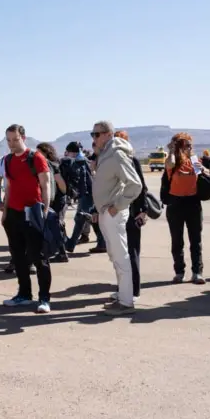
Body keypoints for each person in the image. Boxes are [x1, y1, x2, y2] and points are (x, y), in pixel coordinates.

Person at [0, 124, 54, 314]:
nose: (11, 144)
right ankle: (24, 294)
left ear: (23, 138)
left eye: (15, 140)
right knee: (18, 257)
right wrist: (5, 212)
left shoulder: (36, 158)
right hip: (13, 214)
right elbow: (8, 187)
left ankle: (44, 298)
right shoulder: (7, 160)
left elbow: (46, 185)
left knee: (39, 258)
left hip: (33, 213)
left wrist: (44, 210)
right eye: (8, 140)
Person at [90, 122, 142, 316]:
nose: (94, 138)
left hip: (114, 213)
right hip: (106, 212)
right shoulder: (105, 155)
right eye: (92, 134)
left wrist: (116, 206)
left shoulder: (117, 155)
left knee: (121, 257)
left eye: (96, 134)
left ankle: (126, 302)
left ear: (107, 134)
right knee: (115, 255)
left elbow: (135, 185)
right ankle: (122, 295)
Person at [165, 133, 206, 284]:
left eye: (190, 145)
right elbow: (169, 165)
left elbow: (203, 175)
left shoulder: (194, 160)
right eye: (185, 145)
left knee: (196, 240)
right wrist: (171, 150)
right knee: (177, 240)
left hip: (193, 202)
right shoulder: (173, 161)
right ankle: (179, 272)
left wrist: (204, 169)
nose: (189, 148)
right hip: (175, 203)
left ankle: (197, 272)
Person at [114, 131, 148, 302]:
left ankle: (134, 291)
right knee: (119, 254)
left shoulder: (131, 161)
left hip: (132, 212)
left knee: (132, 252)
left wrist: (143, 210)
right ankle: (123, 289)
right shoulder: (111, 161)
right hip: (116, 213)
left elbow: (141, 187)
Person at [62, 142, 105, 253]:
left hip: (87, 194)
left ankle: (71, 244)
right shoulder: (84, 160)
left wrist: (81, 193)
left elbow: (85, 180)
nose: (67, 154)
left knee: (81, 218)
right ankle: (102, 242)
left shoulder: (80, 162)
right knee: (91, 218)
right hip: (90, 193)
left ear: (72, 152)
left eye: (68, 152)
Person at [35, 142, 69, 263]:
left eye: (39, 152)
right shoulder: (50, 164)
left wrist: (63, 195)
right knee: (55, 225)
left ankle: (62, 252)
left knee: (56, 226)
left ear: (46, 153)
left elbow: (61, 183)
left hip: (57, 200)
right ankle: (59, 251)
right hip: (54, 199)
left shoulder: (51, 165)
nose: (37, 154)